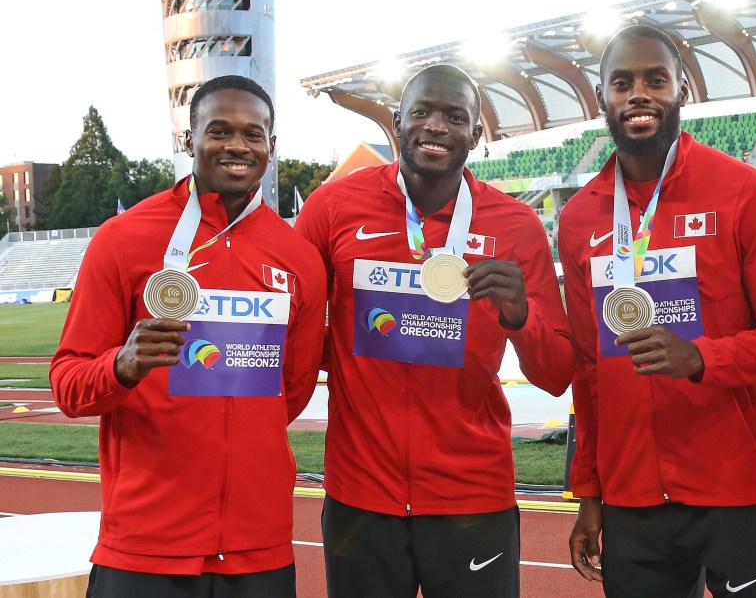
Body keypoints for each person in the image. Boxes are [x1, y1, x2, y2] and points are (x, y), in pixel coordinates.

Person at [295, 64, 574, 598]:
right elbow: (297, 332)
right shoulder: (332, 208)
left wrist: (522, 316)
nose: (436, 127)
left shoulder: (515, 224)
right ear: (397, 122)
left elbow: (558, 372)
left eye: (454, 116)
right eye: (421, 112)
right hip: (362, 495)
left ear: (476, 133)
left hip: (473, 497)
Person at [557, 24, 756, 597]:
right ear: (602, 97)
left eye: (655, 80)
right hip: (631, 498)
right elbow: (588, 370)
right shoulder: (578, 219)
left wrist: (700, 358)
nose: (638, 94)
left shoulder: (745, 193)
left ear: (683, 90)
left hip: (734, 488)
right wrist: (589, 493)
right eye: (621, 83)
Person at [50, 75, 327, 597]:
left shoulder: (299, 258)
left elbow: (290, 394)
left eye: (253, 133)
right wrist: (120, 366)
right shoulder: (123, 239)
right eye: (219, 130)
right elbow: (66, 383)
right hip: (145, 543)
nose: (237, 146)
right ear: (190, 139)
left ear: (272, 145)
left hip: (258, 545)